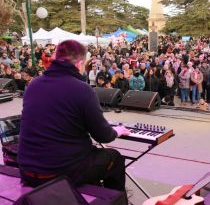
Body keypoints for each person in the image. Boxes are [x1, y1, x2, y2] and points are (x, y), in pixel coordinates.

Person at [18, 40, 130, 191]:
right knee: (114, 158)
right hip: (58, 173)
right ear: (78, 64)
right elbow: (103, 136)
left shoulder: (34, 85)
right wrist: (116, 130)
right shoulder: (82, 90)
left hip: (27, 169)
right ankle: (112, 200)